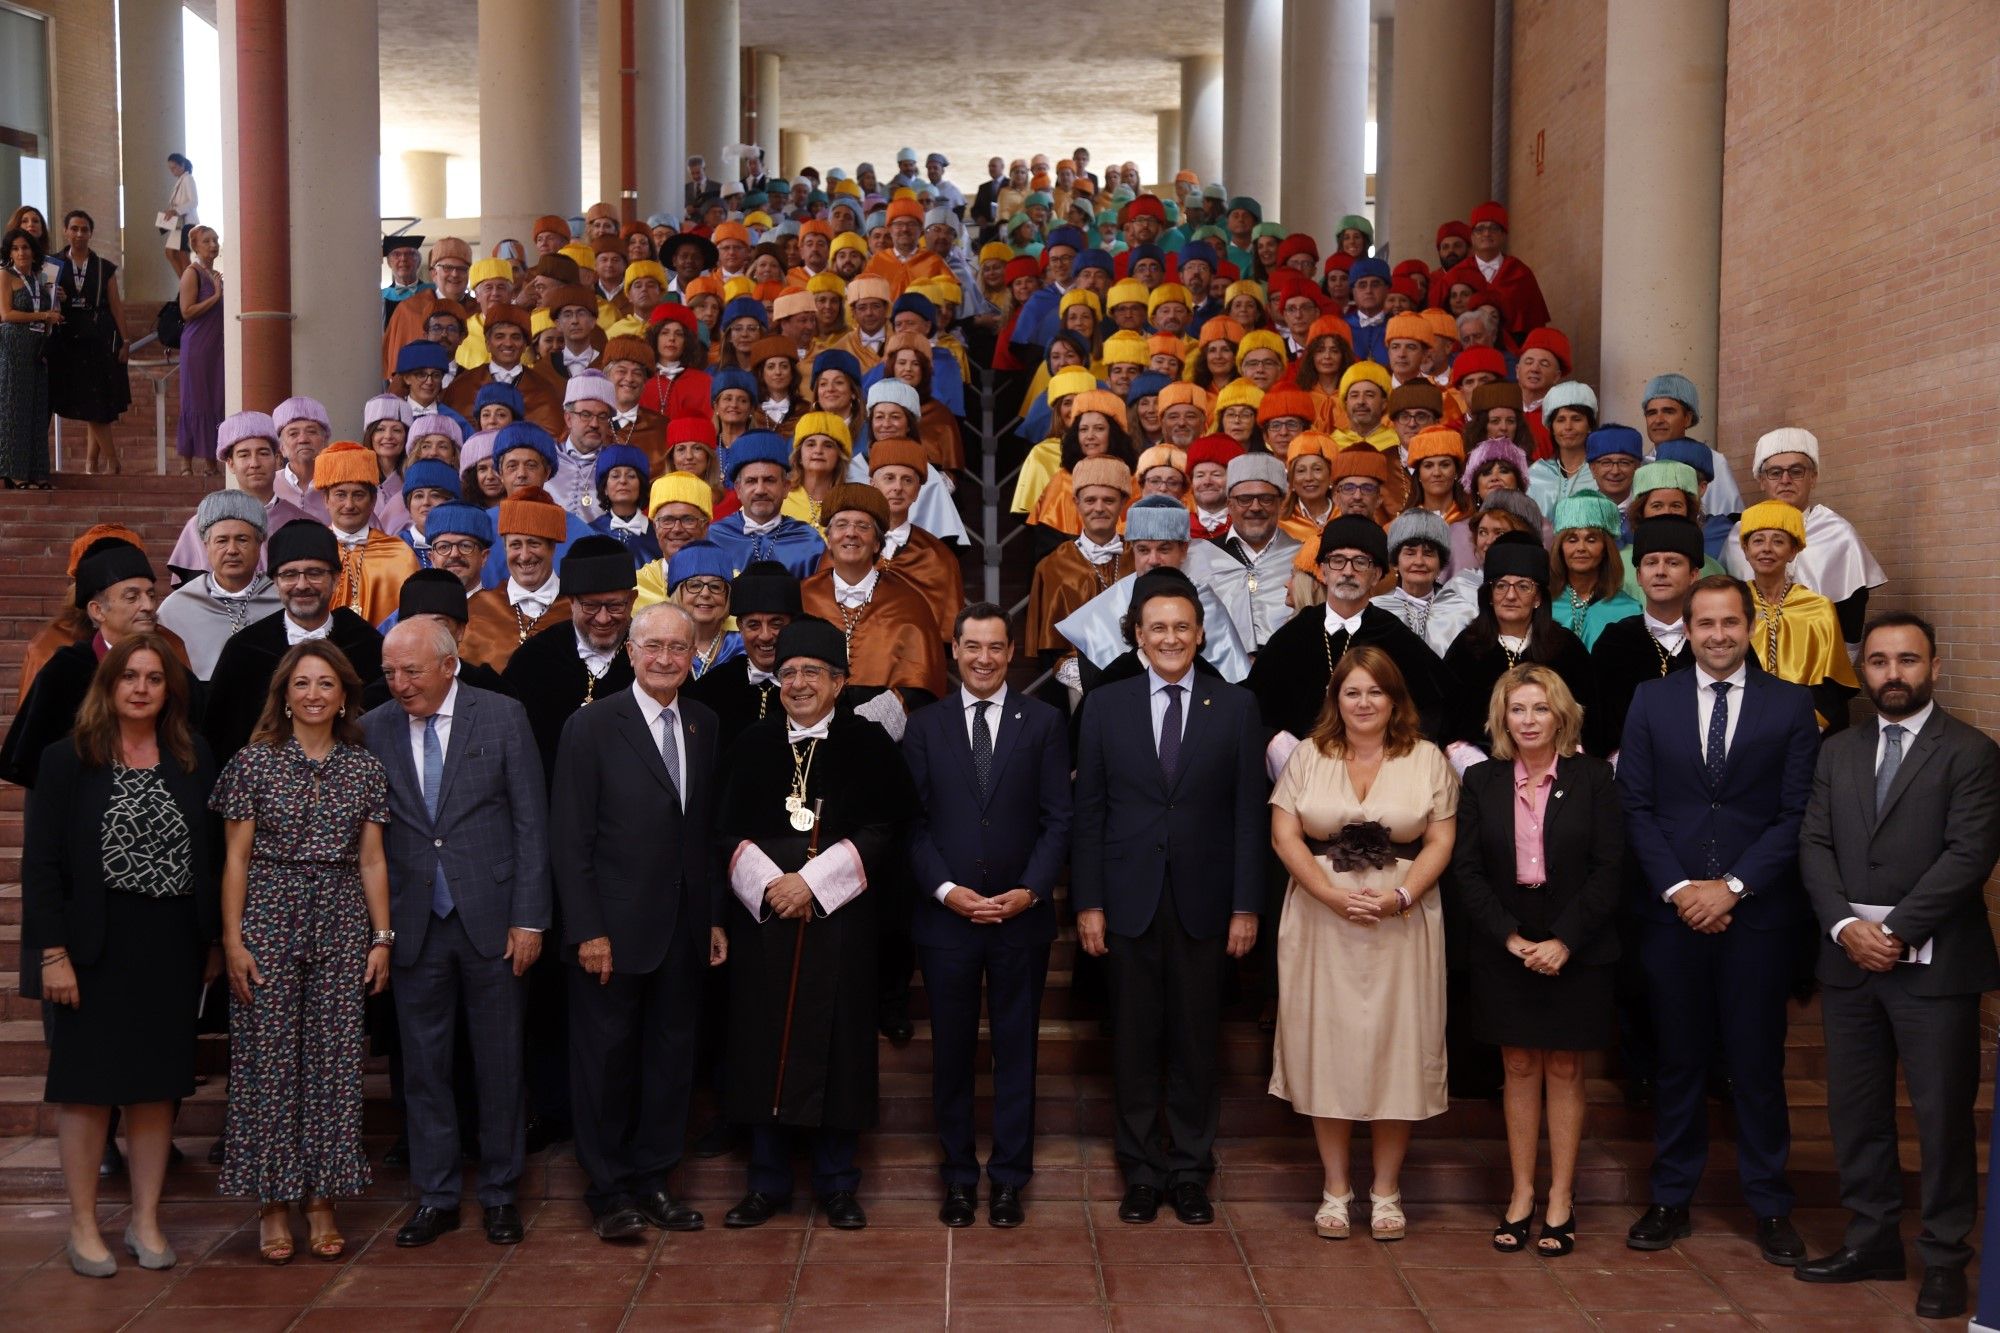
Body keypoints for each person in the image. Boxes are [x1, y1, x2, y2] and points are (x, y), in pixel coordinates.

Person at [1793, 614, 2000, 1320]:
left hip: (1935, 968)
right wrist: (1849, 926)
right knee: (1857, 1112)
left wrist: (1898, 928)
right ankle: (1872, 1238)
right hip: (1850, 961)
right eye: (1878, 660)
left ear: (1934, 667)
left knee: (1941, 1116)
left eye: (1906, 660)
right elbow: (1814, 843)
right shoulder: (1838, 750)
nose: (1892, 673)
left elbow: (1970, 856)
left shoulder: (1971, 752)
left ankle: (1944, 1257)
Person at [1619, 575, 1820, 1264]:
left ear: (1748, 624)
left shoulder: (1792, 705)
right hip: (1672, 916)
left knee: (1757, 1065)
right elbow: (1636, 806)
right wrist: (1681, 889)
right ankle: (1671, 1196)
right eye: (1704, 623)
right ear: (1688, 627)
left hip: (1757, 917)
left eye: (1730, 622)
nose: (1717, 634)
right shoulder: (1652, 698)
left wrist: (1731, 886)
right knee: (1677, 1061)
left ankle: (1770, 1205)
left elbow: (1797, 814)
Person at [22, 635, 218, 1277]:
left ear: (170, 691)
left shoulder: (191, 758)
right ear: (108, 684)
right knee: (86, 1090)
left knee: (158, 1089)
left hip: (169, 945)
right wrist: (52, 952)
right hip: (91, 947)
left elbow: (210, 859)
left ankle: (145, 1220)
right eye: (129, 676)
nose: (140, 687)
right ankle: (83, 1226)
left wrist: (213, 939)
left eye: (154, 678)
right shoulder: (66, 760)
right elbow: (43, 865)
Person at [1072, 575, 1265, 1226]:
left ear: (1202, 631)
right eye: (1158, 627)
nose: (1171, 638)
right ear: (1136, 635)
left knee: (1194, 1041)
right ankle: (1140, 1172)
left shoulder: (1235, 706)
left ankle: (1188, 1170)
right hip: (1126, 901)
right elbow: (1089, 812)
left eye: (1182, 626)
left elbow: (1247, 817)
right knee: (1131, 1042)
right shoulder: (1105, 706)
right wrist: (1087, 902)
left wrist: (1246, 905)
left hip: (1207, 904)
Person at [717, 618, 918, 1231]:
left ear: (840, 682)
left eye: (812, 673)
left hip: (841, 922)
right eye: (789, 674)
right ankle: (766, 1182)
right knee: (760, 1042)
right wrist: (774, 887)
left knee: (839, 1045)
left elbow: (886, 828)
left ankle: (836, 1183)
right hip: (764, 921)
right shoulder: (751, 742)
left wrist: (812, 884)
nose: (798, 684)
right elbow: (724, 829)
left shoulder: (869, 743)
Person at [362, 619, 550, 1248]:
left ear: (449, 665)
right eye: (390, 672)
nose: (398, 683)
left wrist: (529, 919)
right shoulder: (374, 726)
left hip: (494, 922)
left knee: (500, 1064)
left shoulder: (501, 716)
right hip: (414, 927)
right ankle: (437, 1196)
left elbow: (531, 824)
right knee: (423, 1069)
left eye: (410, 670)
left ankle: (500, 1194)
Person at [1268, 645, 1458, 1242]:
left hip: (1400, 920)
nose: (1364, 701)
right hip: (1322, 920)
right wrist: (1327, 893)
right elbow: (1284, 833)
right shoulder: (1307, 754)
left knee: (1396, 1048)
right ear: (1336, 699)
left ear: (1395, 698)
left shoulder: (1427, 758)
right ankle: (1334, 1189)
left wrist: (1401, 898)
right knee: (1329, 1047)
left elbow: (1441, 841)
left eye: (1376, 691)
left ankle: (1385, 1191)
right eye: (1352, 691)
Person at [546, 600, 722, 1240]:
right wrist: (586, 929)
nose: (666, 659)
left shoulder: (704, 722)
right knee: (605, 1062)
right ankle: (608, 1189)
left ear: (692, 654)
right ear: (630, 652)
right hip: (611, 933)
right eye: (653, 647)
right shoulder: (591, 726)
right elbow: (570, 838)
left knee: (671, 1060)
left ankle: (655, 1179)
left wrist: (714, 919)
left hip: (684, 927)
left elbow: (705, 833)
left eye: (678, 648)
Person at [213, 640, 392, 1264]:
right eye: (301, 684)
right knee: (268, 1064)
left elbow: (372, 860)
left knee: (335, 1065)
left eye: (325, 684)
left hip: (342, 917)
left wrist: (381, 937)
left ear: (344, 696)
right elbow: (234, 860)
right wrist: (233, 941)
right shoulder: (252, 764)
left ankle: (322, 1200)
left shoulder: (364, 768)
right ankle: (271, 1203)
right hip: (267, 912)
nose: (313, 694)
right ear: (283, 697)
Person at [903, 604, 1072, 1228]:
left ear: (1010, 654)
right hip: (946, 919)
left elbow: (1060, 818)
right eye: (972, 646)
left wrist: (1031, 890)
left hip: (1019, 918)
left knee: (1015, 1052)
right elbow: (912, 826)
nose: (983, 658)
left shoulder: (1046, 722)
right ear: (954, 650)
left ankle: (1008, 1178)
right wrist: (944, 889)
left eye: (996, 648)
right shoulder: (924, 727)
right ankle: (956, 1176)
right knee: (950, 1052)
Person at [1447, 666, 1621, 1257]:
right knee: (1518, 1065)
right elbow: (1465, 871)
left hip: (1577, 938)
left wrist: (1565, 939)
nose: (1528, 720)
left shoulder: (1594, 778)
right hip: (1506, 938)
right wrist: (1509, 938)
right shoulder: (1481, 780)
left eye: (1539, 709)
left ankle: (1561, 1199)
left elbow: (1611, 869)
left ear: (1561, 715)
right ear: (1502, 718)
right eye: (1517, 709)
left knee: (1567, 1070)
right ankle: (1521, 1194)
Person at [1248, 516, 1457, 748]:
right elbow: (1253, 703)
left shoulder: (1395, 635)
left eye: (1360, 562)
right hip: (1305, 769)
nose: (1348, 571)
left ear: (1377, 575)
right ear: (1324, 571)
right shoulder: (1295, 634)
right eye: (1337, 560)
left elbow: (1438, 704)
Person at [202, 521, 386, 765]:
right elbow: (219, 739)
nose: (302, 585)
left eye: (315, 573)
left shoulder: (367, 645)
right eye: (289, 574)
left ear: (336, 579)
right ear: (275, 582)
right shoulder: (244, 650)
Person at [1, 540, 167, 788]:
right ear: (97, 611)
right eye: (133, 597)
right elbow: (36, 769)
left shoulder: (170, 668)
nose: (148, 606)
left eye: (151, 595)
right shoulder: (65, 672)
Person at [1725, 426, 1886, 652]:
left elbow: (1851, 623)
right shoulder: (1739, 533)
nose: (1785, 479)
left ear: (1813, 477)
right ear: (1761, 480)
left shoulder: (1838, 534)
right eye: (1775, 472)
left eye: (1796, 471)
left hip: (1818, 668)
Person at [1440, 534, 1595, 758]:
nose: (1510, 595)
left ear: (1538, 598)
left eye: (1523, 586)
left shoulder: (1566, 648)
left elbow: (1588, 721)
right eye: (1501, 586)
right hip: (1482, 767)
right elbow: (1448, 723)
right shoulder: (1467, 647)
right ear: (1490, 596)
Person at [799, 483, 947, 705]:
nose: (851, 533)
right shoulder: (802, 595)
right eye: (841, 525)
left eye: (862, 526)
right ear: (829, 539)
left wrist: (868, 726)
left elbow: (921, 685)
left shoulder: (910, 602)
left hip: (885, 733)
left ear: (877, 543)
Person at [1736, 501, 1859, 729]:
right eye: (1758, 540)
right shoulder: (1732, 605)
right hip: (1744, 723)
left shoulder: (1818, 607)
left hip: (1806, 724)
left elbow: (1834, 682)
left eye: (1778, 541)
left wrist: (1802, 725)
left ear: (1793, 551)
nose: (1767, 548)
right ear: (1745, 550)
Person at [1185, 453, 1304, 653]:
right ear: (1229, 504)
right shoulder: (1200, 555)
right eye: (1244, 499)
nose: (1255, 507)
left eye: (1266, 499)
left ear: (1281, 503)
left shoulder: (1302, 556)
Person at [156, 491, 282, 678]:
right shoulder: (175, 609)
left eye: (242, 540)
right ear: (206, 546)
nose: (232, 550)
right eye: (222, 541)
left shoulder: (282, 600)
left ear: (260, 543)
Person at [47, 210, 131, 476]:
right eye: (74, 228)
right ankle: (110, 461)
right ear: (65, 231)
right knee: (90, 401)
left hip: (99, 338)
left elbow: (116, 304)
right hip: (68, 340)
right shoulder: (52, 263)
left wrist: (125, 340)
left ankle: (93, 464)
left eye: (84, 229)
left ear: (90, 233)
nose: (79, 234)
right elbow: (43, 297)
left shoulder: (103, 266)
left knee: (97, 401)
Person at [706, 430, 829, 578]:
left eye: (769, 480)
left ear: (786, 488)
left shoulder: (809, 541)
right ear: (738, 489)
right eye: (751, 481)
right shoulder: (714, 538)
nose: (760, 490)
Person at [1, 222, 58, 488]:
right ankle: (14, 473)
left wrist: (50, 317)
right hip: (14, 345)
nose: (21, 253)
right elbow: (7, 314)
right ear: (10, 253)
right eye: (15, 248)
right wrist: (43, 315)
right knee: (15, 408)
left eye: (25, 247)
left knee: (37, 409)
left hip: (37, 347)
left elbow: (44, 311)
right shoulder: (5, 275)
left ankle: (37, 472)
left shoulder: (38, 279)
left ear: (34, 252)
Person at [173, 226, 225, 476]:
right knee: (194, 399)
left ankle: (211, 462)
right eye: (207, 241)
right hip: (196, 346)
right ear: (195, 246)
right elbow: (187, 311)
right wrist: (216, 297)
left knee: (214, 400)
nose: (213, 245)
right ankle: (185, 464)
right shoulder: (191, 273)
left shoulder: (216, 274)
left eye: (215, 240)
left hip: (216, 347)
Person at [161, 152, 199, 277]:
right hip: (178, 224)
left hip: (187, 222)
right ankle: (184, 285)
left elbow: (194, 201)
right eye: (170, 169)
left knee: (182, 255)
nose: (172, 171)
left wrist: (176, 211)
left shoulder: (188, 179)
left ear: (182, 165)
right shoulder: (180, 181)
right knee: (170, 253)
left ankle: (190, 286)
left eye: (174, 168)